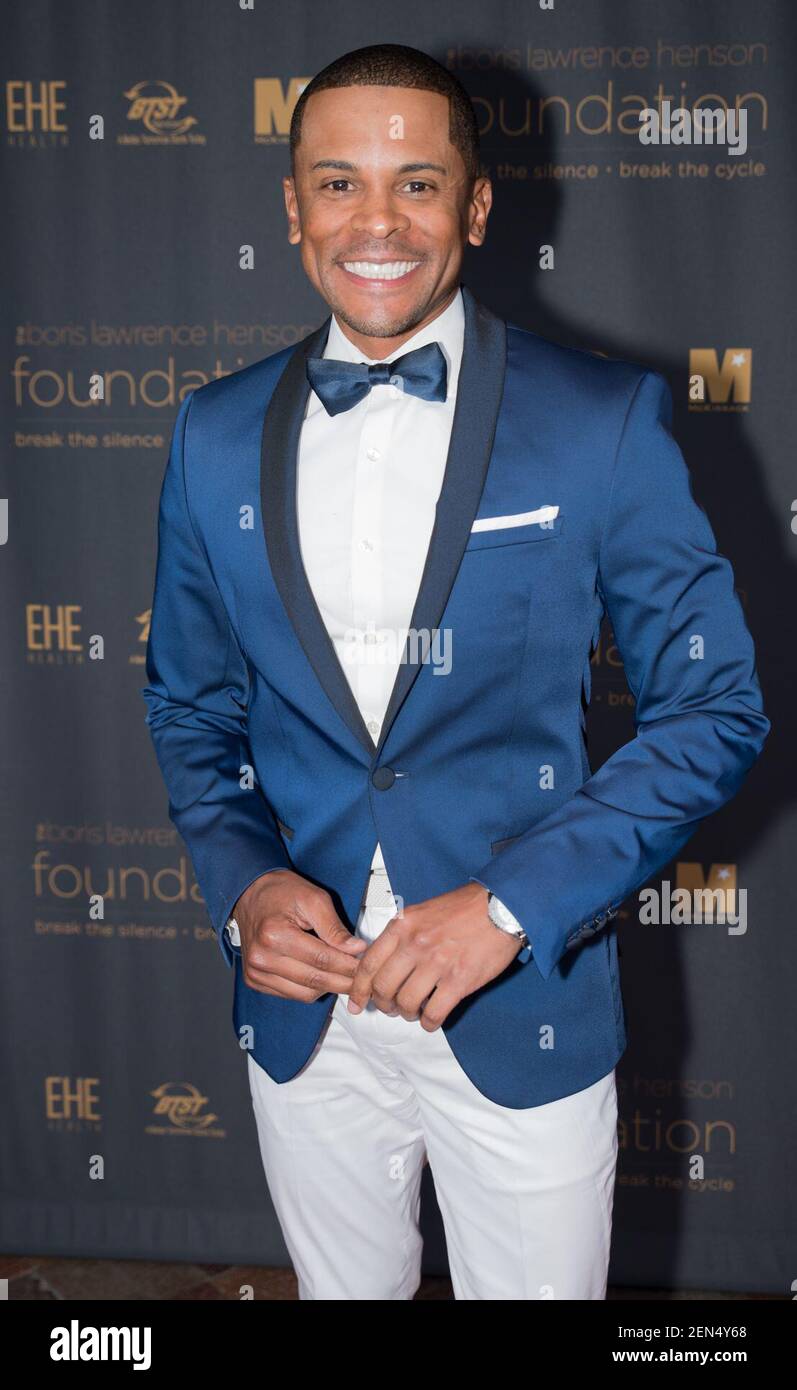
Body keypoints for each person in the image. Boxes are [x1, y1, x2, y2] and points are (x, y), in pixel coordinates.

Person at [142, 43, 769, 1300]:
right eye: (338, 183)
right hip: (307, 1020)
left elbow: (714, 707)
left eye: (416, 184)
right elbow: (191, 707)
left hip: (518, 997)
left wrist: (502, 908)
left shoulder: (602, 421)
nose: (376, 222)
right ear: (291, 207)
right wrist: (244, 883)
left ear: (475, 208)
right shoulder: (212, 433)